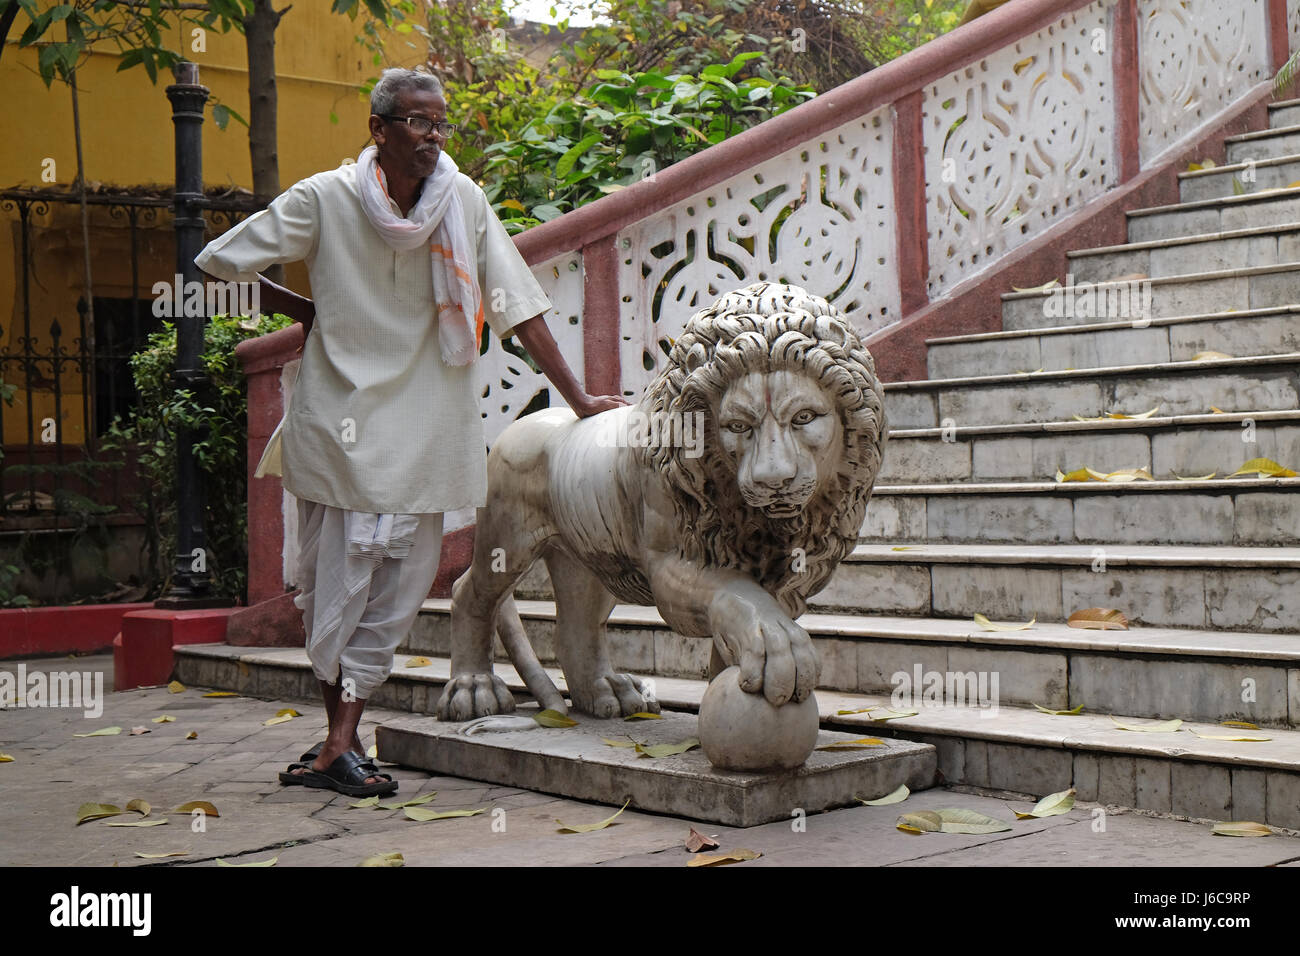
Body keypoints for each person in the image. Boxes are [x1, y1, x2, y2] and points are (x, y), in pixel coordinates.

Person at [195, 67, 624, 797]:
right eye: (420, 123)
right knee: (335, 588)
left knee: (394, 592)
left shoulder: (462, 201)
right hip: (340, 428)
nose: (434, 137)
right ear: (380, 128)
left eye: (441, 124)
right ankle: (339, 741)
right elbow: (215, 264)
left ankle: (338, 744)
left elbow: (518, 304)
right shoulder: (325, 200)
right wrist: (304, 310)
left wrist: (580, 397)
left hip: (425, 427)